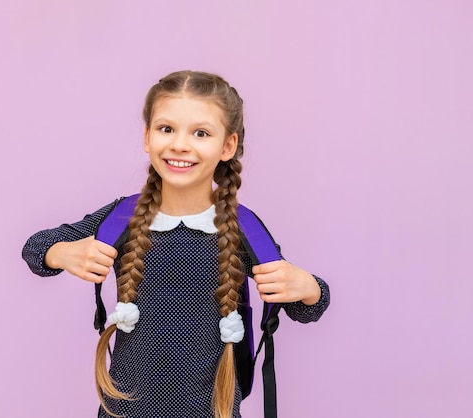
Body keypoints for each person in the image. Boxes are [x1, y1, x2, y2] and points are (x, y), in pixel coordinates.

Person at [22, 70, 330, 418]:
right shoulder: (122, 217)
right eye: (166, 129)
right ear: (146, 136)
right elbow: (35, 248)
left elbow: (306, 306)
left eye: (200, 133)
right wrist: (61, 253)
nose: (180, 144)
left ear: (228, 146)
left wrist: (309, 287)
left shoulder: (243, 228)